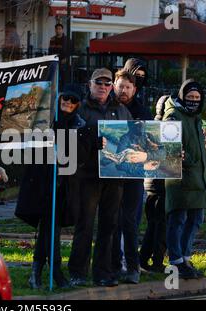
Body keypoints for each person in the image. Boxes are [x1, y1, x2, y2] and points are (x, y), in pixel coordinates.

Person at [15, 84, 85, 289]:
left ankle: (38, 272)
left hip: (64, 186)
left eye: (73, 100)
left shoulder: (78, 125)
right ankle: (52, 272)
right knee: (49, 227)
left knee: (50, 228)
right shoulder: (46, 121)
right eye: (65, 98)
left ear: (77, 104)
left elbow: (81, 152)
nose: (68, 103)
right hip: (43, 182)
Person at [68, 68, 132, 287]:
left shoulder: (121, 110)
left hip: (114, 178)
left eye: (107, 83)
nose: (103, 87)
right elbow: (70, 142)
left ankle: (103, 272)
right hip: (87, 177)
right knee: (84, 224)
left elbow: (134, 139)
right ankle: (77, 272)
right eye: (99, 83)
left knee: (109, 225)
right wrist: (90, 142)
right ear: (90, 84)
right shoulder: (81, 110)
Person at [111, 70, 164, 284]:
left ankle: (133, 267)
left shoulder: (142, 112)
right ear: (115, 85)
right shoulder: (109, 107)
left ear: (134, 89)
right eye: (120, 85)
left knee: (130, 222)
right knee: (110, 221)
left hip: (134, 177)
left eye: (127, 87)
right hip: (110, 177)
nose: (123, 90)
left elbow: (154, 145)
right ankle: (113, 265)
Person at [162, 79, 206, 279]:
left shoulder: (196, 117)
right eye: (190, 97)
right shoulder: (173, 115)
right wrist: (188, 159)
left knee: (196, 219)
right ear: (182, 96)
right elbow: (170, 149)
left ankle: (186, 256)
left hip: (199, 178)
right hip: (180, 178)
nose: (193, 101)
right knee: (178, 219)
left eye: (197, 98)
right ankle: (176, 261)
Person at [140, 95, 170, 273]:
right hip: (160, 182)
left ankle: (143, 258)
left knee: (153, 224)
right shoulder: (166, 128)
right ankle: (156, 261)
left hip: (150, 182)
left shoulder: (153, 125)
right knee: (159, 225)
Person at [48, 23, 68, 88]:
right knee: (53, 76)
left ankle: (62, 91)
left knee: (63, 78)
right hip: (54, 61)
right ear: (55, 30)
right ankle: (54, 89)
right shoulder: (52, 39)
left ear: (62, 30)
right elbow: (50, 50)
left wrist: (66, 58)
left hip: (63, 61)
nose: (58, 30)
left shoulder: (66, 39)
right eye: (57, 29)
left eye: (59, 29)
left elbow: (69, 50)